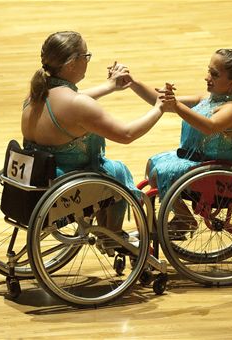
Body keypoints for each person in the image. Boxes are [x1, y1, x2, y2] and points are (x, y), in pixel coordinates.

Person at [21, 31, 164, 249]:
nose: (87, 61)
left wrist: (110, 86)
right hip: (68, 187)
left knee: (107, 170)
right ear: (71, 64)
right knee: (116, 170)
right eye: (85, 56)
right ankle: (112, 235)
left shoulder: (36, 94)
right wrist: (159, 108)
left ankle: (109, 234)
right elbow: (126, 135)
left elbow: (75, 101)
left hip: (38, 180)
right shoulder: (77, 105)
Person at [126, 48, 232, 237]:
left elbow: (210, 127)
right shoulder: (205, 99)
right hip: (196, 161)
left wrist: (176, 105)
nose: (207, 77)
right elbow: (158, 100)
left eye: (214, 74)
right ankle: (180, 217)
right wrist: (132, 83)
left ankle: (184, 219)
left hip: (214, 169)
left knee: (163, 171)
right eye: (208, 70)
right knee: (153, 163)